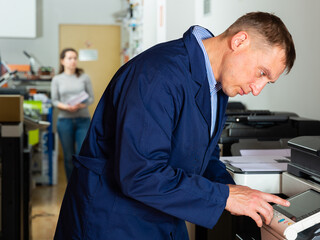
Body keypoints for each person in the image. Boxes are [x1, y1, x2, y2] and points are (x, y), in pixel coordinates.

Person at [55, 12, 295, 239]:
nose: (257, 88)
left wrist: (233, 192)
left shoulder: (215, 85)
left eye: (267, 81)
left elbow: (204, 156)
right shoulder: (157, 74)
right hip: (113, 218)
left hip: (161, 214)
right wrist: (223, 197)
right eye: (261, 73)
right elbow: (140, 173)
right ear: (240, 41)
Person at [51, 48, 94, 180]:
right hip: (65, 121)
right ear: (62, 61)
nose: (73, 61)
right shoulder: (57, 79)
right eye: (69, 58)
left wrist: (81, 105)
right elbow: (54, 100)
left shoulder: (84, 77)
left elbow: (91, 98)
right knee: (69, 157)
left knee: (83, 154)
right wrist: (66, 107)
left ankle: (83, 185)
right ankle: (71, 186)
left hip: (83, 120)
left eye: (75, 58)